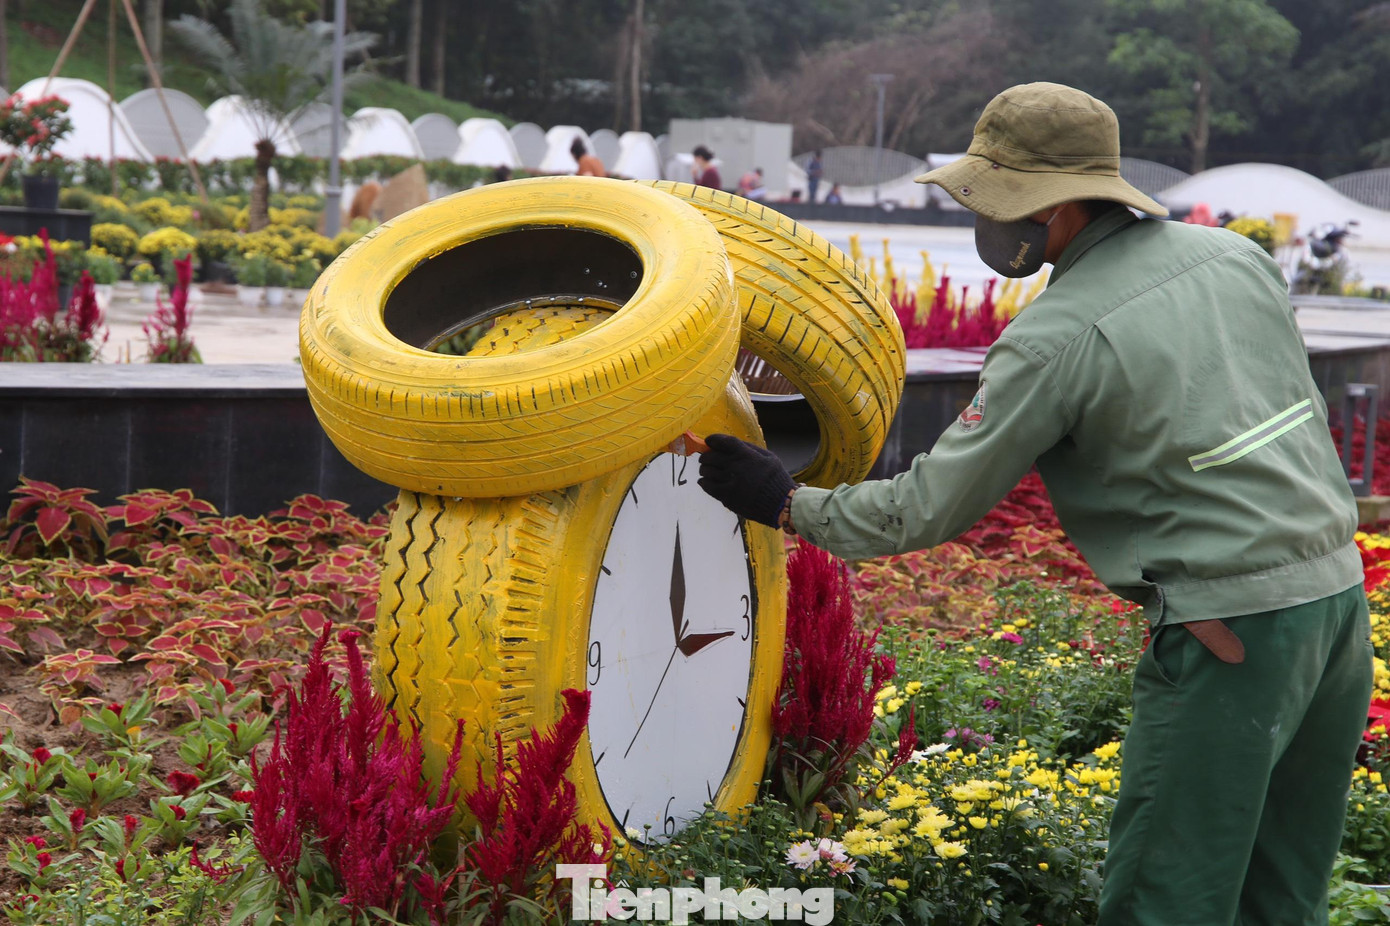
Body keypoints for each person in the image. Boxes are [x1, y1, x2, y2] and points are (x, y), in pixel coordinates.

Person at [696, 81, 1373, 926]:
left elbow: (926, 510)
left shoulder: (1059, 335)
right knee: (1282, 897)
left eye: (989, 198)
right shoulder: (1234, 258)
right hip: (1339, 610)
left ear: (1052, 211)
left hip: (1230, 639)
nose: (981, 218)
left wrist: (791, 503)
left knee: (1166, 896)